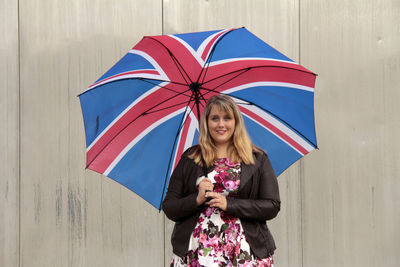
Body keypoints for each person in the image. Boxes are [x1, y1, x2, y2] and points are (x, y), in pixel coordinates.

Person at [163, 95, 280, 266]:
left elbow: (272, 205)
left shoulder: (257, 159)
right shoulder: (191, 158)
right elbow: (170, 207)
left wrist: (229, 204)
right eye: (214, 118)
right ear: (206, 122)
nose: (221, 124)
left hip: (244, 251)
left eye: (227, 118)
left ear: (236, 122)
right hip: (198, 252)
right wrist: (196, 199)